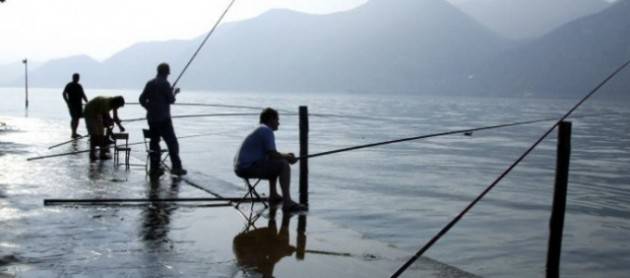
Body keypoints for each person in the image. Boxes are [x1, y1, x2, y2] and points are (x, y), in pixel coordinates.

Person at [234, 108, 306, 212]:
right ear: (271, 119)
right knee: (283, 165)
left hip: (240, 167)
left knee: (275, 164)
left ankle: (273, 195)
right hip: (246, 168)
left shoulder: (261, 130)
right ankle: (287, 202)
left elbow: (270, 156)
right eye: (277, 120)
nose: (279, 123)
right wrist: (288, 158)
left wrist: (286, 156)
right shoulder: (266, 130)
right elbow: (273, 155)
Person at [139, 63, 187, 176]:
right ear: (166, 73)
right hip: (164, 119)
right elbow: (171, 100)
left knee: (154, 142)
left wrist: (149, 108)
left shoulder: (150, 83)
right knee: (172, 143)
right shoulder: (165, 84)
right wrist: (174, 92)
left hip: (151, 119)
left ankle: (154, 168)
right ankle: (176, 167)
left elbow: (141, 99)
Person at [83, 96, 125, 161]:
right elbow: (106, 120)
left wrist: (120, 126)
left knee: (101, 134)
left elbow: (115, 117)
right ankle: (92, 154)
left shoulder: (114, 104)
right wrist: (111, 133)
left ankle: (102, 154)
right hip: (89, 112)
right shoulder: (106, 103)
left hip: (98, 112)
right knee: (94, 134)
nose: (118, 108)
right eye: (118, 106)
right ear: (116, 103)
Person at [62, 73, 88, 138]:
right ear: (73, 78)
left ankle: (75, 132)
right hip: (72, 105)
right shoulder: (69, 85)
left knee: (78, 118)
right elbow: (64, 93)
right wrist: (67, 102)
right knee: (74, 118)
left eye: (78, 78)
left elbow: (83, 95)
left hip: (79, 105)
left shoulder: (79, 86)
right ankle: (73, 133)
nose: (77, 79)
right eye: (76, 77)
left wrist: (87, 102)